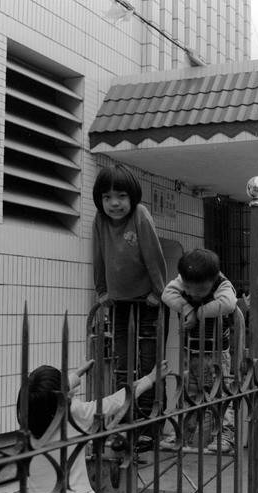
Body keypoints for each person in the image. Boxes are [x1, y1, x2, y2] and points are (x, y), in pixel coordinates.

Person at [20, 359, 169, 493]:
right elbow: (116, 401)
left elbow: (46, 396)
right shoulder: (73, 413)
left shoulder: (27, 417)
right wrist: (150, 378)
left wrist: (77, 374)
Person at [92, 163, 166, 450]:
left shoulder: (140, 215)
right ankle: (124, 422)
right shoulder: (100, 220)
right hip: (119, 302)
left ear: (132, 196)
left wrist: (158, 292)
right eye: (107, 197)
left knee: (148, 363)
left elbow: (153, 255)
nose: (114, 203)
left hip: (147, 301)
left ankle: (150, 426)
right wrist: (102, 290)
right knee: (123, 364)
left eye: (121, 196)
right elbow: (98, 254)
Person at [161, 248, 237, 453]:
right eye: (188, 288)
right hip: (191, 351)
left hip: (216, 353)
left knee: (219, 393)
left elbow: (229, 303)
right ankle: (182, 434)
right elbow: (167, 293)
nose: (193, 294)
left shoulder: (222, 283)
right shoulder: (184, 278)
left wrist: (198, 312)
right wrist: (187, 308)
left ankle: (225, 436)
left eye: (200, 290)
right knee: (188, 394)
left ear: (213, 279)